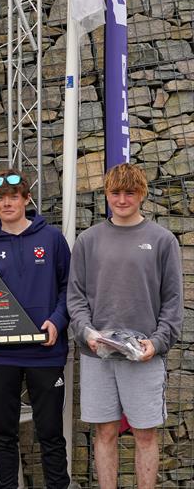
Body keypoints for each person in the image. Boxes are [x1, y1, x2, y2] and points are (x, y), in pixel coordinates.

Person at [68, 163, 182, 489]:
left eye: (129, 192)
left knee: (145, 434)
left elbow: (173, 302)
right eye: (115, 192)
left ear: (141, 193)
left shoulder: (162, 241)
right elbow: (75, 298)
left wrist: (157, 343)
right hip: (97, 357)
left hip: (145, 356)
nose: (121, 199)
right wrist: (87, 333)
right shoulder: (88, 241)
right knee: (104, 432)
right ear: (106, 194)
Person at [0, 169, 71, 489]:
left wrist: (56, 321)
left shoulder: (52, 238)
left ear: (27, 199)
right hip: (1, 355)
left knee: (51, 433)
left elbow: (69, 289)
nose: (7, 203)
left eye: (13, 197)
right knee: (2, 434)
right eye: (0, 198)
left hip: (46, 352)